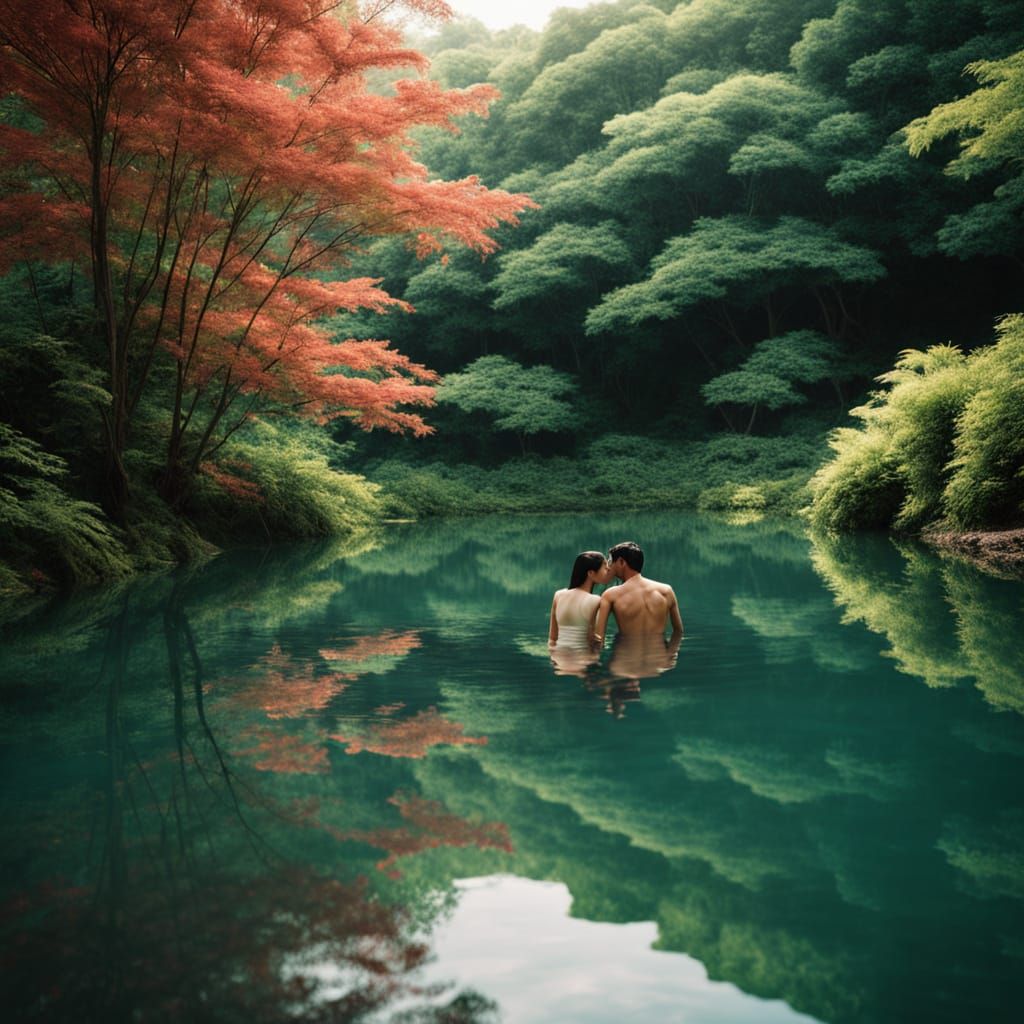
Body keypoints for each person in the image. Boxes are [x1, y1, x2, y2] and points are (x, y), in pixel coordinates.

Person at [594, 541, 683, 644]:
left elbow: (598, 639)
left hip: (624, 660)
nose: (609, 567)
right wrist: (670, 657)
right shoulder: (666, 591)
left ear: (621, 562)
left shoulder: (611, 595)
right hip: (659, 660)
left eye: (610, 561)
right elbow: (678, 632)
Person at [548, 551, 614, 651]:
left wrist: (554, 660)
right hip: (584, 660)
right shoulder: (595, 600)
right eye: (604, 565)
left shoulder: (558, 595)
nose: (608, 568)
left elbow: (552, 639)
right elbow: (595, 643)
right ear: (591, 573)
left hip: (558, 659)